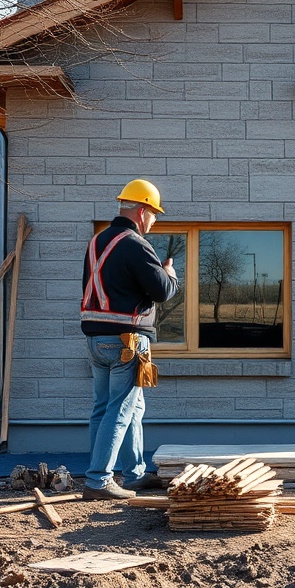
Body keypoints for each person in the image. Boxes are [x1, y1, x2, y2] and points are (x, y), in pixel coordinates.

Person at [80, 178, 179, 500]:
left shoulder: (97, 241)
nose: (154, 220)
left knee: (118, 407)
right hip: (127, 341)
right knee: (121, 410)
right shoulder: (135, 243)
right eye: (154, 213)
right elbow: (162, 291)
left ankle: (133, 474)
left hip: (97, 339)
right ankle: (98, 480)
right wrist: (170, 274)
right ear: (142, 209)